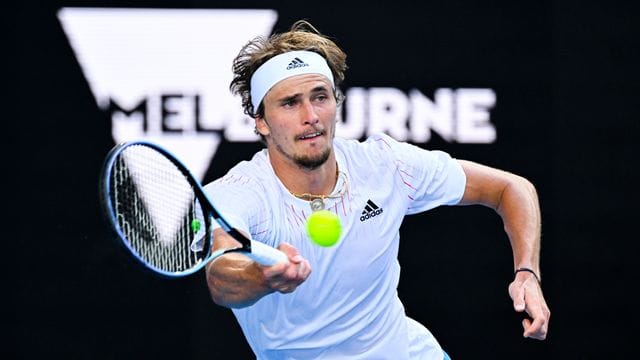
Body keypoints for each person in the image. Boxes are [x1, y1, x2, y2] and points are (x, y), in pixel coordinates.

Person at [204, 20, 550, 359]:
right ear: (261, 121)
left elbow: (510, 188)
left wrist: (527, 274)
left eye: (320, 97)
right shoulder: (238, 194)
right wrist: (262, 276)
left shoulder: (385, 165)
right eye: (290, 103)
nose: (311, 116)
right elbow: (221, 276)